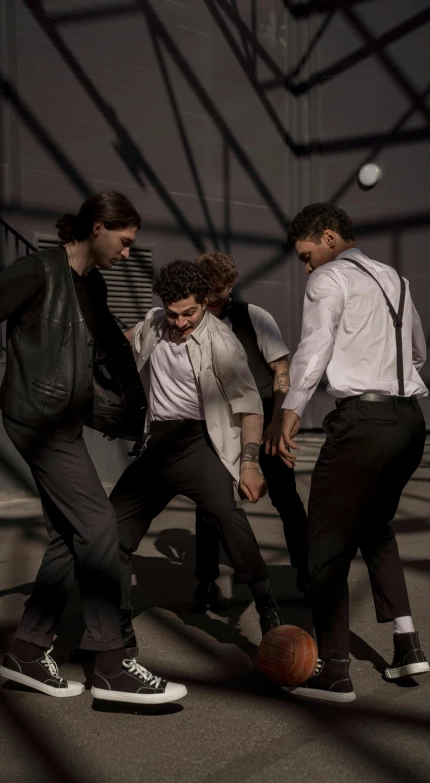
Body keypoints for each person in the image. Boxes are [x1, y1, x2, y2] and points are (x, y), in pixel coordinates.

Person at [0, 190, 187, 706]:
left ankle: (29, 653)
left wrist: (133, 403)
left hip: (65, 420)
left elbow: (110, 348)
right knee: (100, 524)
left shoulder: (93, 284)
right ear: (98, 226)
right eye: (124, 242)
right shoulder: (38, 270)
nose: (127, 254)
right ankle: (110, 663)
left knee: (69, 533)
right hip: (37, 419)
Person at [278, 202, 429, 703]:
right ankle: (408, 645)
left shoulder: (330, 279)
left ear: (328, 236)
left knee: (325, 542)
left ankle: (334, 670)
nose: (306, 267)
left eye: (306, 255)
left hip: (362, 423)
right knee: (375, 527)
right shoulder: (396, 280)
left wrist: (292, 409)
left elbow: (314, 346)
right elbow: (419, 354)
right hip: (409, 422)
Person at [114, 259, 282, 655]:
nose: (180, 322)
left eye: (188, 313)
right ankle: (114, 623)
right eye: (173, 314)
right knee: (111, 531)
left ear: (204, 302)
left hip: (197, 444)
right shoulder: (155, 322)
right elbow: (123, 342)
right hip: (156, 445)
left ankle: (266, 605)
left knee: (227, 515)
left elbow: (250, 405)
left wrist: (250, 464)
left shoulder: (222, 343)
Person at [190, 251, 308, 612]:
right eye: (205, 291)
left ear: (231, 286)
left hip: (263, 421)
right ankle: (206, 582)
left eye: (218, 291)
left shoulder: (254, 316)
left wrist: (278, 420)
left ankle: (306, 574)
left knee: (287, 500)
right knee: (209, 506)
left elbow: (281, 369)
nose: (210, 299)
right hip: (215, 425)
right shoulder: (192, 322)